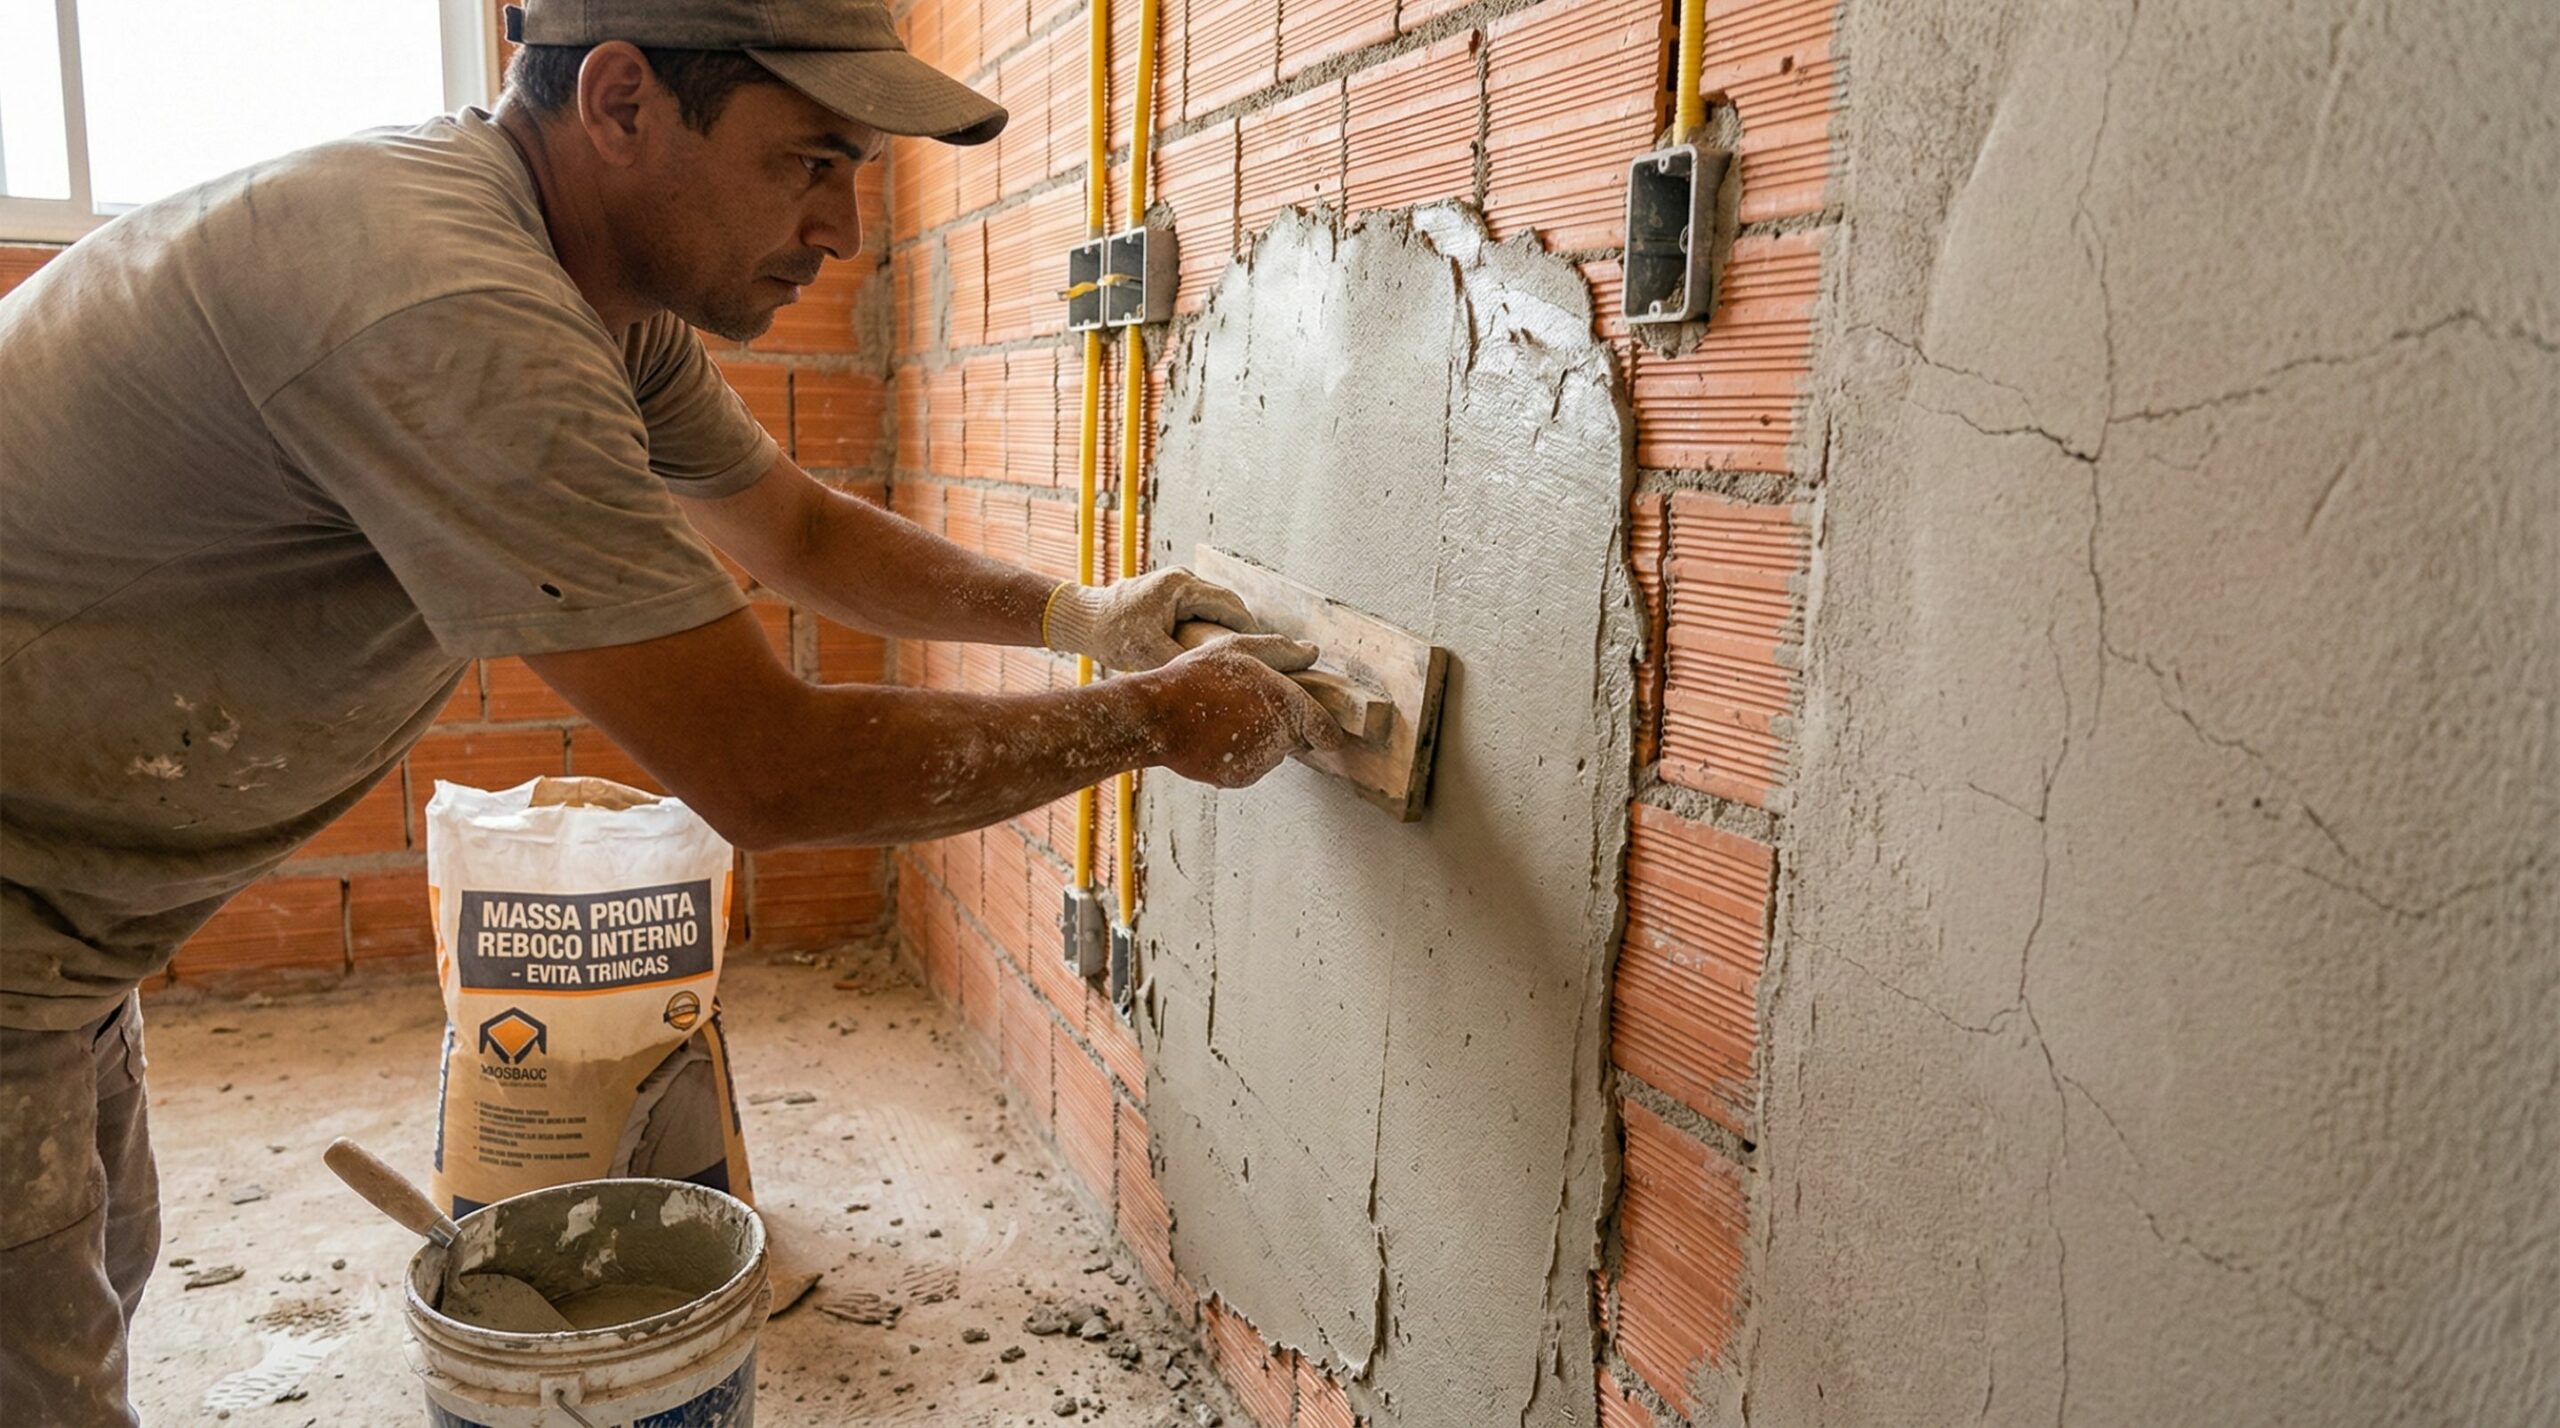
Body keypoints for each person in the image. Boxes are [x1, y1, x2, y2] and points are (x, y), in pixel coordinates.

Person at [0, 1, 1338, 1419]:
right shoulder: (463, 312)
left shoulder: (580, 288)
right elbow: (769, 772)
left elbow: (799, 537)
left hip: (66, 922)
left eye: (858, 174)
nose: (843, 230)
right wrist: (1148, 724)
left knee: (92, 1270)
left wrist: (1076, 618)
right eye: (809, 163)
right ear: (624, 102)